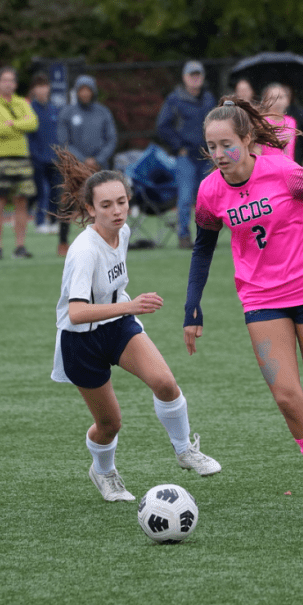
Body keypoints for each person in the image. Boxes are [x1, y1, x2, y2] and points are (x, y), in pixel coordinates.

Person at [184, 97, 303, 521]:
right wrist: (193, 307)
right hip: (261, 299)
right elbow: (202, 248)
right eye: (212, 146)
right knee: (286, 397)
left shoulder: (284, 171)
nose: (219, 154)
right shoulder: (210, 191)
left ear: (248, 140)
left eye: (227, 145)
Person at [50, 150, 221, 502]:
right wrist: (131, 305)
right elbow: (76, 312)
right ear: (90, 209)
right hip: (81, 341)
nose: (117, 211)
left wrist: (125, 311)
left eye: (122, 202)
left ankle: (184, 450)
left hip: (118, 326)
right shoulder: (84, 251)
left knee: (165, 383)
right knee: (110, 424)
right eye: (106, 205)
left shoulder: (123, 231)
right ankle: (103, 472)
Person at [156, 61, 217, 248]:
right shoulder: (175, 99)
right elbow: (162, 126)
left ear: (203, 77)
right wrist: (178, 146)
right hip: (186, 156)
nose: (195, 78)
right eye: (192, 75)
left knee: (208, 197)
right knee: (185, 198)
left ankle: (207, 235)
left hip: (206, 155)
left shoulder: (209, 99)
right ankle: (184, 235)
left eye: (198, 75)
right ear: (184, 78)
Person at [0, 66, 39, 260]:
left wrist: (12, 123)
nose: (8, 84)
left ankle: (20, 246)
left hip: (21, 157)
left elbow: (33, 123)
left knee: (21, 201)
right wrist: (19, 125)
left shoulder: (22, 102)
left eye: (11, 80)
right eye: (4, 80)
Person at [57, 74, 118, 252]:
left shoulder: (103, 112)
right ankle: (62, 242)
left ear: (93, 91)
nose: (85, 93)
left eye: (88, 90)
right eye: (81, 90)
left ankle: (105, 240)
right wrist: (82, 161)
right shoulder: (67, 113)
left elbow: (111, 139)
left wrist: (98, 160)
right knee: (68, 203)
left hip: (99, 168)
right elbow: (64, 142)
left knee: (103, 204)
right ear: (76, 92)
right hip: (75, 169)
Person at [27, 72, 69, 257]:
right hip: (37, 158)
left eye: (45, 86)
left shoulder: (54, 109)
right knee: (40, 191)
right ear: (34, 89)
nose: (42, 90)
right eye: (39, 86)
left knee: (55, 191)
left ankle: (53, 221)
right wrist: (33, 154)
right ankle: (39, 221)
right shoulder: (29, 110)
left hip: (54, 158)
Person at [259, 83, 298, 161]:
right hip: (267, 166)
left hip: (288, 166)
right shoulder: (260, 122)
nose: (277, 101)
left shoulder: (291, 122)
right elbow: (257, 151)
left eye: (280, 97)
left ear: (287, 100)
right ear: (264, 102)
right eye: (272, 98)